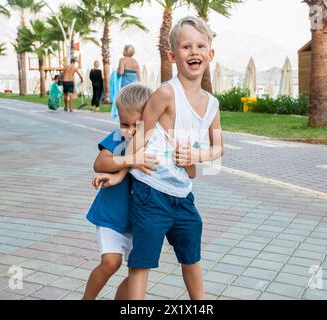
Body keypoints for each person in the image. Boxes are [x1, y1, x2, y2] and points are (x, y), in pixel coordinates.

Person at [122, 16, 225, 300]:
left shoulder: (212, 104)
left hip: (182, 195)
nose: (194, 52)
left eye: (201, 46)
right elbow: (138, 139)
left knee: (191, 256)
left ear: (210, 54)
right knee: (142, 263)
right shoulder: (166, 93)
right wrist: (122, 168)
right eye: (186, 47)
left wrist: (197, 154)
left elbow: (219, 148)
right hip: (150, 192)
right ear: (172, 55)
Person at [82, 83, 195, 300]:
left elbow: (189, 172)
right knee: (111, 262)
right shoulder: (118, 138)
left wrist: (188, 159)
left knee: (137, 270)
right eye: (125, 123)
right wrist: (131, 159)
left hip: (142, 220)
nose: (131, 130)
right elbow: (100, 162)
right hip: (112, 217)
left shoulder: (160, 143)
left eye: (138, 125)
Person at [110, 45, 141, 121]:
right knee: (133, 103)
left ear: (125, 51)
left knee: (124, 103)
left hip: (125, 84)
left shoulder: (122, 60)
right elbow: (139, 77)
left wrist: (115, 74)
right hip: (135, 85)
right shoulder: (136, 61)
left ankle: (126, 120)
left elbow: (121, 72)